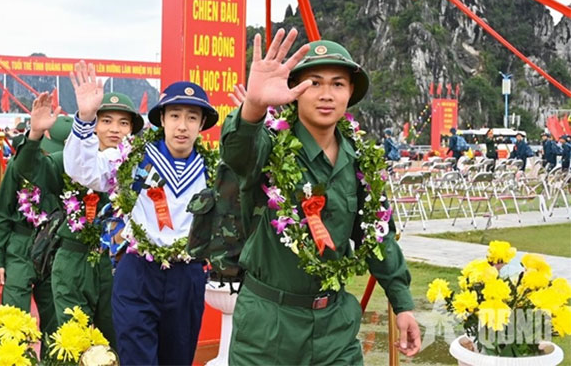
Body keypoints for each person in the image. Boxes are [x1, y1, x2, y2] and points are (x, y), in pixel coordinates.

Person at [221, 30, 420, 364]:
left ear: (350, 92)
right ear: (295, 91)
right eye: (314, 82)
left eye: (337, 84)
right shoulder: (269, 147)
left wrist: (402, 304)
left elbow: (378, 235)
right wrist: (253, 107)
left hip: (334, 327)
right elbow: (237, 152)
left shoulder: (361, 161)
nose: (326, 94)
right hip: (267, 326)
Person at [65, 62, 216, 366]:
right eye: (174, 116)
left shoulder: (212, 170)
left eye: (191, 118)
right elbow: (83, 171)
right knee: (137, 359)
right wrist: (84, 117)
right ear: (162, 119)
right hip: (137, 273)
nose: (182, 126)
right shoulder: (131, 158)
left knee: (178, 359)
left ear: (202, 125)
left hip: (185, 276)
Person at [15, 92, 141, 349]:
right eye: (106, 120)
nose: (115, 129)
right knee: (74, 343)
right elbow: (29, 170)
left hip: (118, 264)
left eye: (123, 123)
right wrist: (35, 135)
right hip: (73, 260)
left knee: (118, 342)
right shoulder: (71, 161)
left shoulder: (141, 169)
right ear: (93, 124)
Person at [0, 133, 60, 347]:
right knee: (13, 318)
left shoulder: (70, 171)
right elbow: (0, 215)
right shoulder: (18, 169)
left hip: (55, 250)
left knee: (56, 323)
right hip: (20, 246)